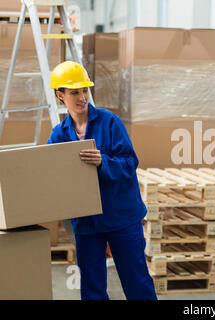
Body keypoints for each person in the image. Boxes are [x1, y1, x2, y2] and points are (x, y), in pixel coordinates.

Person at [47, 61, 157, 300]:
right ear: (60, 95)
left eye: (84, 90)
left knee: (137, 281)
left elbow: (130, 163)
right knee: (92, 287)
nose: (82, 97)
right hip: (87, 222)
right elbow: (52, 174)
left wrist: (103, 162)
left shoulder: (110, 123)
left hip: (121, 217)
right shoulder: (59, 135)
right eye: (74, 92)